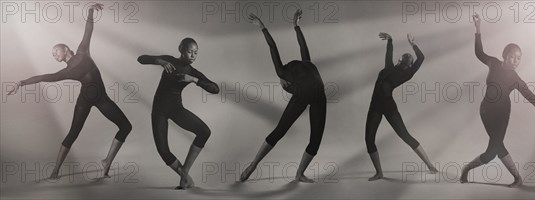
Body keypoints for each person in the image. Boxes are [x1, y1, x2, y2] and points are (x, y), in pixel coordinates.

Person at [7, 3, 132, 179]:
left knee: (126, 126)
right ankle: (55, 170)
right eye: (52, 55)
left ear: (65, 48)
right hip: (84, 101)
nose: (54, 55)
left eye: (55, 51)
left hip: (102, 99)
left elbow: (88, 30)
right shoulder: (66, 72)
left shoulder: (83, 51)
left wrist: (90, 11)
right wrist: (20, 83)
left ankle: (107, 162)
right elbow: (44, 77)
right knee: (73, 133)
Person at [460, 13, 535, 188]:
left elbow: (528, 93)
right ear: (505, 55)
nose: (516, 61)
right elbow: (478, 52)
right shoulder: (493, 63)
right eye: (513, 56)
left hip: (503, 113)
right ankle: (516, 179)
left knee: (493, 150)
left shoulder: (515, 78)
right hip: (486, 111)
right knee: (496, 146)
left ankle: (467, 169)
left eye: (519, 58)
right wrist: (478, 30)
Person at [239, 10, 327, 183]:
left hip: (312, 95)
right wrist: (296, 26)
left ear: (286, 82)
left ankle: (254, 165)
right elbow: (303, 46)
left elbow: (273, 47)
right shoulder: (306, 62)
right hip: (319, 94)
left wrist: (262, 27)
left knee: (280, 131)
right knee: (314, 140)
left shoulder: (281, 71)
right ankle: (297, 173)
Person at [137, 37, 219, 189]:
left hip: (176, 109)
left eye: (196, 53)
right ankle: (186, 179)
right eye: (190, 52)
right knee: (163, 151)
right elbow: (140, 59)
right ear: (181, 49)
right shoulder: (169, 60)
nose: (193, 56)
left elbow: (215, 88)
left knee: (204, 132)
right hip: (158, 110)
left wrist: (194, 79)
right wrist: (159, 61)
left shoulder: (192, 72)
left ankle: (185, 175)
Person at [364, 32, 438, 181]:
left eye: (407, 59)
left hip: (389, 108)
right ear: (400, 60)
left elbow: (421, 58)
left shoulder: (406, 74)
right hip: (375, 107)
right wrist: (390, 40)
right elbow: (388, 53)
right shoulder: (389, 67)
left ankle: (431, 166)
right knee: (369, 139)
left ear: (408, 65)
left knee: (405, 136)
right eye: (405, 57)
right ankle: (379, 172)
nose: (405, 58)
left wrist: (413, 44)